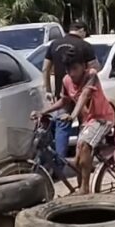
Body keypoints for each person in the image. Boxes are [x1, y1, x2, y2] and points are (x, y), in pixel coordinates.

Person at [34, 49, 115, 194]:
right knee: (78, 160)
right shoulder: (66, 80)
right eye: (68, 69)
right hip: (87, 122)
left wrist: (72, 116)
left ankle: (85, 188)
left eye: (74, 68)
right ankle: (81, 189)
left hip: (103, 119)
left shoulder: (91, 75)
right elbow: (64, 101)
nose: (71, 73)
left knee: (84, 146)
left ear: (83, 66)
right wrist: (44, 112)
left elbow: (84, 95)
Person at [42, 20, 99, 159]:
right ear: (82, 30)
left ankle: (59, 160)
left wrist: (48, 90)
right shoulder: (85, 46)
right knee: (84, 125)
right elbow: (95, 67)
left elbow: (45, 68)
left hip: (63, 92)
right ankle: (83, 158)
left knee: (62, 125)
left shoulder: (54, 44)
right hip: (83, 92)